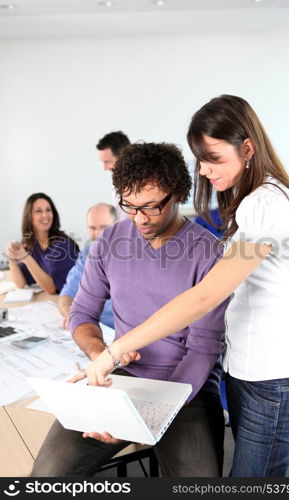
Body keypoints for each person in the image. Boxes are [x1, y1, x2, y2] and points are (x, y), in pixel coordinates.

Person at [83, 95, 289, 478]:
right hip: (247, 369)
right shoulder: (253, 200)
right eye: (200, 160)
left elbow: (206, 296)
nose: (205, 171)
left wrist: (117, 349)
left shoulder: (265, 204)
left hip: (272, 377)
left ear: (247, 148)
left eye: (214, 158)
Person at [31, 142, 229, 477]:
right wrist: (100, 356)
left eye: (151, 207)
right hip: (122, 378)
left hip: (187, 387)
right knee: (46, 476)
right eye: (129, 206)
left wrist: (147, 414)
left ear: (178, 194)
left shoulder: (208, 252)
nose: (139, 218)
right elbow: (81, 316)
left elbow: (202, 351)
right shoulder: (109, 242)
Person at [58, 202, 117, 330]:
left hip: (122, 335)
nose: (97, 234)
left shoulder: (134, 256)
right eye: (92, 228)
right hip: (92, 328)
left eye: (103, 227)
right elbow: (67, 294)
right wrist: (71, 315)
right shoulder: (87, 253)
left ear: (117, 224)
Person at [6, 193, 79, 294]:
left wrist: (26, 258)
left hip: (71, 301)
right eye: (38, 211)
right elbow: (20, 284)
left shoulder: (62, 245)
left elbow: (51, 289)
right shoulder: (28, 242)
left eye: (48, 210)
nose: (45, 215)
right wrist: (12, 260)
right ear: (29, 216)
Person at [96, 130, 130, 221]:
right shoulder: (115, 180)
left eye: (107, 162)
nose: (105, 168)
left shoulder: (142, 183)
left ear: (123, 157)